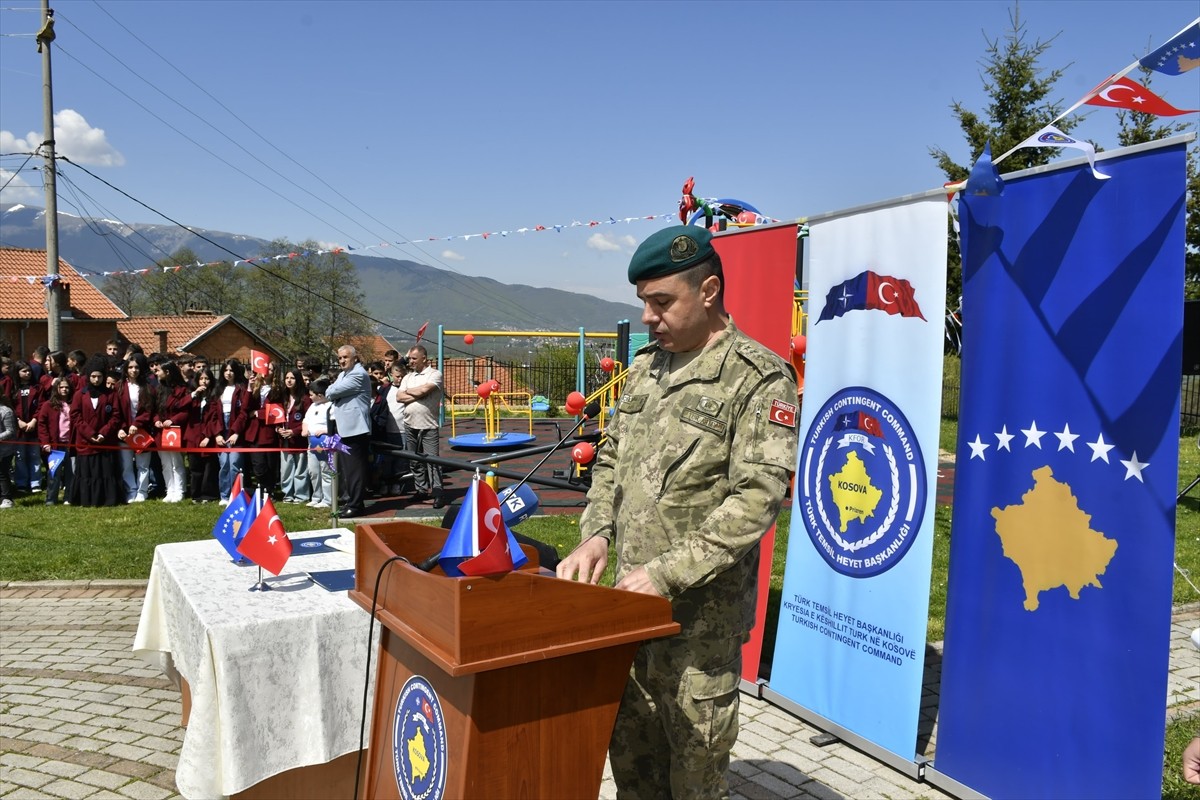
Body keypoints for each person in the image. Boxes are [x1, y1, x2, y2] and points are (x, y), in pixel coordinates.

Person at [556, 226, 799, 799]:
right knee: (634, 778)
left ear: (708, 290)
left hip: (697, 633)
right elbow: (611, 460)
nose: (647, 316)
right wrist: (595, 536)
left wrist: (663, 574)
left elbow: (756, 499)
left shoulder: (757, 377)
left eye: (661, 301)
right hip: (627, 618)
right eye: (643, 301)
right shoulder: (644, 370)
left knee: (694, 784)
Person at [394, 345, 445, 508]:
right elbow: (399, 397)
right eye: (409, 358)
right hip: (409, 424)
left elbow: (425, 390)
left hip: (428, 425)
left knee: (432, 461)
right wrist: (415, 393)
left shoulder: (435, 374)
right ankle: (421, 489)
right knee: (414, 460)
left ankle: (437, 492)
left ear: (424, 358)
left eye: (414, 358)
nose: (411, 361)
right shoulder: (408, 377)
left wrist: (410, 392)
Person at [69, 356, 123, 507]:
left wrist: (103, 433)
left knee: (105, 471)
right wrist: (90, 433)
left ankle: (107, 499)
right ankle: (87, 499)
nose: (96, 380)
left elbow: (116, 416)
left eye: (99, 376)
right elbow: (75, 415)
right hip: (86, 441)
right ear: (88, 376)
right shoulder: (80, 394)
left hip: (105, 441)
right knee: (87, 472)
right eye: (93, 376)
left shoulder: (110, 394)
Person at [325, 345, 372, 517]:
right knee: (347, 469)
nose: (342, 361)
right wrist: (332, 390)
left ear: (355, 358)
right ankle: (351, 501)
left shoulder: (358, 374)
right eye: (340, 358)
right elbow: (331, 391)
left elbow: (332, 391)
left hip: (355, 429)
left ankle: (356, 505)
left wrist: (332, 390)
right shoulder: (342, 375)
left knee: (355, 470)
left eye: (345, 357)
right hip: (344, 429)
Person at [114, 354, 154, 503]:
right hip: (124, 432)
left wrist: (136, 425)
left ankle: (142, 492)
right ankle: (131, 491)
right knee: (126, 465)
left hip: (142, 431)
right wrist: (121, 428)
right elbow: (116, 411)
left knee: (143, 465)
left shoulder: (148, 387)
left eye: (136, 367)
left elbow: (148, 410)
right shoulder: (119, 387)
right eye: (130, 367)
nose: (133, 370)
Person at [153, 361, 192, 503]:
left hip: (174, 431)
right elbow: (154, 409)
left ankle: (180, 490)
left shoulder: (182, 389)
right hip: (161, 432)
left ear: (168, 372)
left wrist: (173, 420)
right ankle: (170, 490)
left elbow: (186, 411)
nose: (157, 373)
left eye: (159, 370)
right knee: (165, 463)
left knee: (177, 462)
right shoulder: (159, 389)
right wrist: (156, 420)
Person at [214, 359, 252, 502]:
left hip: (236, 429)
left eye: (231, 370)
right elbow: (212, 414)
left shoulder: (241, 389)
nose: (228, 373)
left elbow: (244, 412)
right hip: (221, 428)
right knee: (224, 464)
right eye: (226, 370)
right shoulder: (218, 389)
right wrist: (217, 434)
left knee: (235, 464)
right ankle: (224, 496)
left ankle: (235, 496)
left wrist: (236, 432)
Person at [36, 376, 75, 505]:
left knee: (71, 473)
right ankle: (51, 499)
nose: (64, 390)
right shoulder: (48, 405)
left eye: (67, 387)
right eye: (61, 387)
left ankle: (68, 497)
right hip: (55, 446)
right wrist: (45, 442)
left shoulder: (74, 404)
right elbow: (42, 425)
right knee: (53, 474)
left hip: (71, 445)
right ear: (56, 389)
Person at [185, 368, 221, 503]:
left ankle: (208, 494)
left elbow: (215, 418)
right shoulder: (192, 396)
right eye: (201, 379)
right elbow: (180, 407)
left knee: (209, 467)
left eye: (206, 379)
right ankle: (195, 494)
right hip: (192, 436)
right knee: (195, 467)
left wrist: (208, 436)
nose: (204, 381)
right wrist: (194, 394)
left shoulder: (215, 397)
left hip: (208, 436)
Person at [277, 368, 311, 504]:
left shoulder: (305, 399)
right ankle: (287, 495)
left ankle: (301, 496)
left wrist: (294, 431)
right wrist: (278, 428)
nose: (289, 381)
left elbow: (308, 420)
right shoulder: (282, 397)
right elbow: (275, 416)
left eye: (292, 378)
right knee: (286, 470)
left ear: (298, 380)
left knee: (300, 469)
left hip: (299, 440)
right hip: (284, 441)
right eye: (286, 378)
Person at [11, 361, 43, 494]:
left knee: (34, 456)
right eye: (24, 371)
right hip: (19, 429)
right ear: (17, 373)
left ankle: (35, 483)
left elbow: (41, 405)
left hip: (33, 428)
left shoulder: (37, 388)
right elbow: (10, 406)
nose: (28, 373)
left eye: (29, 370)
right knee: (20, 457)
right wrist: (18, 421)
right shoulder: (13, 388)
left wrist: (34, 420)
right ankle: (21, 483)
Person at [302, 377, 334, 509]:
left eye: (311, 395)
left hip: (324, 443)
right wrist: (305, 429)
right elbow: (306, 420)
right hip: (312, 443)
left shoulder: (331, 406)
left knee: (325, 470)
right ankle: (316, 496)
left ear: (320, 395)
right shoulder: (312, 406)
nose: (310, 397)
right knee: (314, 471)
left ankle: (328, 499)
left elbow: (334, 424)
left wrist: (325, 431)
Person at [0, 389, 16, 509]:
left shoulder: (6, 411)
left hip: (4, 450)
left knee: (2, 474)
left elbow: (10, 431)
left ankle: (7, 499)